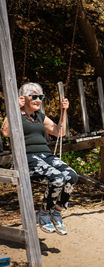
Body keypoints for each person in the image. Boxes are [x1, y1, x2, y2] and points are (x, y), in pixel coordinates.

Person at [1, 82, 78, 235]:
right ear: (24, 98)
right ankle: (43, 213)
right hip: (27, 158)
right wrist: (14, 107)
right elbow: (5, 132)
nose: (38, 100)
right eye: (34, 96)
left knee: (71, 176)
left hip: (46, 155)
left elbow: (59, 132)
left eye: (40, 97)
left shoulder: (39, 116)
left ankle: (56, 211)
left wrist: (64, 111)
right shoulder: (15, 114)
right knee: (57, 178)